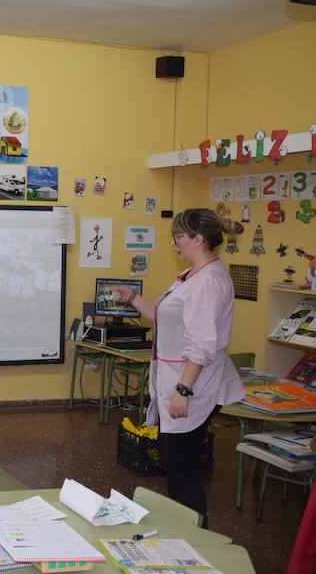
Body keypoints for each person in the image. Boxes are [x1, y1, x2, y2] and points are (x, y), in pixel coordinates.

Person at [113, 208, 244, 527]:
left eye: (178, 237)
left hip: (194, 384)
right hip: (181, 379)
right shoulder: (192, 275)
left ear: (198, 239)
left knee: (181, 468)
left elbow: (202, 343)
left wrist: (183, 390)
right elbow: (165, 316)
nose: (174, 244)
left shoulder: (209, 281)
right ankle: (187, 530)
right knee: (175, 463)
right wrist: (133, 298)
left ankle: (197, 536)